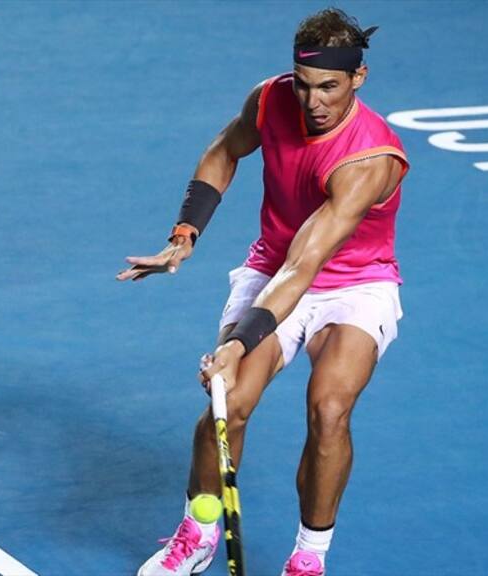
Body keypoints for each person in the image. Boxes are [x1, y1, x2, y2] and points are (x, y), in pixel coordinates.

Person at [117, 8, 408, 576]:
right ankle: (198, 533)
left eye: (328, 87)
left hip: (352, 284)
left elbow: (306, 266)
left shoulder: (368, 160)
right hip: (273, 267)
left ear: (357, 78)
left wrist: (238, 338)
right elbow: (225, 150)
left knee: (329, 409)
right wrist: (185, 232)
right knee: (229, 404)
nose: (313, 102)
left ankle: (308, 559)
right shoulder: (270, 99)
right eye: (303, 85)